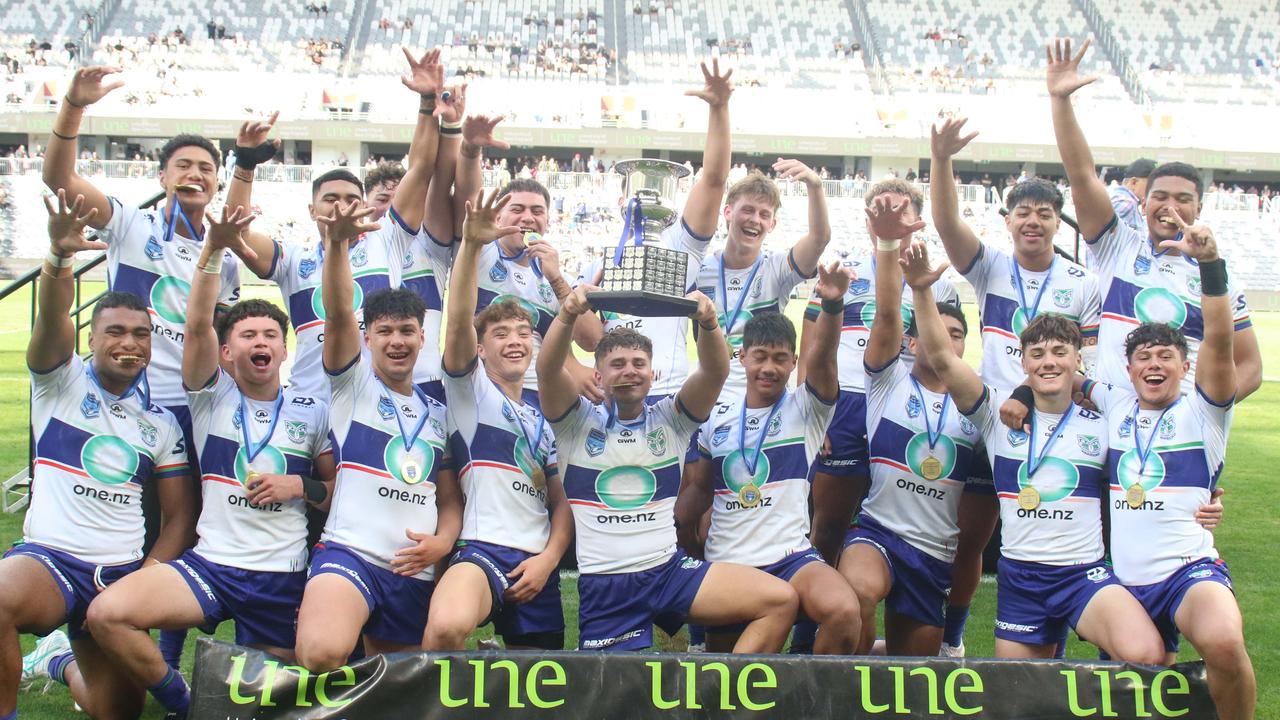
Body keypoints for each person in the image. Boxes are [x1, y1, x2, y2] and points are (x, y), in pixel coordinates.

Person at [85, 207, 335, 719]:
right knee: (106, 613)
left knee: (272, 704)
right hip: (212, 566)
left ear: (284, 351)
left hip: (281, 576)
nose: (260, 342)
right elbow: (196, 322)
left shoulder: (313, 411)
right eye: (247, 336)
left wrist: (300, 486)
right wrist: (213, 249)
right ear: (224, 353)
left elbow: (335, 491)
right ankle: (183, 701)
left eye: (270, 335)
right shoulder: (209, 398)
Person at [903, 242, 1164, 664]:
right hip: (1023, 578)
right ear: (1023, 361)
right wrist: (920, 290)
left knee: (1145, 654)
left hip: (1082, 573)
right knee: (1020, 694)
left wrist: (1205, 502)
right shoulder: (994, 415)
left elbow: (1153, 462)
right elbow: (943, 361)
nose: (1048, 362)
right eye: (1038, 353)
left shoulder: (1105, 421)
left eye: (1060, 353)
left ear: (1078, 360)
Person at [3, 192, 193, 719]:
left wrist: (147, 576)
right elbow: (51, 320)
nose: (129, 344)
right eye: (115, 332)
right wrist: (59, 259)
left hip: (121, 573)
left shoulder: (160, 426)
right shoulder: (58, 383)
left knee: (118, 714)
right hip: (52, 560)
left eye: (141, 334)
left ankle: (61, 661)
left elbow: (179, 519)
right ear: (91, 337)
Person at [538, 284, 798, 652]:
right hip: (609, 585)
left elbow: (714, 372)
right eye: (617, 364)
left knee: (780, 600)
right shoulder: (573, 424)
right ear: (598, 375)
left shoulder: (671, 421)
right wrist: (566, 314)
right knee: (624, 700)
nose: (630, 371)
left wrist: (707, 321)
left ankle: (725, 699)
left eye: (638, 364)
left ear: (652, 373)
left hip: (668, 572)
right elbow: (547, 371)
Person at [930, 115, 1102, 655]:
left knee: (1068, 532)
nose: (1034, 222)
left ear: (1057, 223)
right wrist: (941, 159)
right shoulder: (991, 268)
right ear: (1007, 221)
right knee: (970, 536)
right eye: (1023, 213)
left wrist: (1030, 393)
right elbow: (947, 223)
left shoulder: (1083, 282)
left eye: (1044, 214)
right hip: (990, 421)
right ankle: (954, 640)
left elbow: (1087, 364)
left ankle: (1070, 636)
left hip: (1057, 423)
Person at [293, 200, 461, 671]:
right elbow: (339, 315)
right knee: (322, 652)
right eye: (384, 331)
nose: (397, 341)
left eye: (407, 330)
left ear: (422, 338)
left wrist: (444, 542)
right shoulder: (352, 386)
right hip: (353, 554)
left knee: (399, 688)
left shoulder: (438, 414)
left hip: (415, 567)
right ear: (367, 338)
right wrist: (339, 246)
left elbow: (449, 500)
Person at [1045, 37, 1262, 401]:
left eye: (1183, 199)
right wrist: (1060, 100)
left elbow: (1250, 366)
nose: (1170, 206)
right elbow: (1082, 175)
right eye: (1159, 196)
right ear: (1143, 205)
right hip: (1112, 426)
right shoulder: (1119, 246)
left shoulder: (1220, 285)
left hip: (1175, 437)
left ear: (1199, 209)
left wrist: (1200, 413)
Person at [221, 49, 445, 400]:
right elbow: (237, 232)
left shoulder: (388, 240)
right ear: (312, 210)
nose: (342, 206)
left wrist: (427, 101)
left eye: (352, 199)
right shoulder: (292, 261)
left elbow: (419, 170)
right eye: (331, 199)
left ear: (366, 209)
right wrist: (245, 165)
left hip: (376, 402)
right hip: (312, 403)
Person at [676, 263, 859, 655]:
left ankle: (810, 700)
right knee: (728, 675)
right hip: (730, 562)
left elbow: (824, 356)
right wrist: (673, 534)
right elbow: (698, 492)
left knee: (844, 612)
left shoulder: (807, 410)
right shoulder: (714, 420)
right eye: (760, 356)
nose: (769, 368)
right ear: (741, 357)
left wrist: (832, 304)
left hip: (791, 557)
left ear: (794, 362)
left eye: (780, 358)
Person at [422, 189, 571, 651]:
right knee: (447, 626)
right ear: (480, 348)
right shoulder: (470, 394)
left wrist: (549, 560)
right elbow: (460, 316)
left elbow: (562, 505)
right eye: (501, 334)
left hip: (536, 564)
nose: (515, 341)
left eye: (524, 333)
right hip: (482, 549)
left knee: (542, 691)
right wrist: (469, 247)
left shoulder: (544, 420)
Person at [834, 197, 984, 656]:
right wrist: (887, 244)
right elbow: (884, 314)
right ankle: (844, 693)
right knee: (855, 594)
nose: (946, 338)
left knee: (915, 673)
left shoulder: (980, 403)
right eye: (934, 328)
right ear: (912, 338)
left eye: (956, 333)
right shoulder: (887, 380)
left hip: (934, 553)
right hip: (878, 533)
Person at [576, 59, 734, 400]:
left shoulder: (681, 244)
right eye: (635, 191)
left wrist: (719, 110)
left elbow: (714, 179)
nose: (643, 198)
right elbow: (587, 341)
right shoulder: (599, 266)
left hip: (671, 397)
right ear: (621, 201)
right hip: (614, 397)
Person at [696, 159, 831, 399]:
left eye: (764, 214)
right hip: (708, 397)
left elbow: (819, 238)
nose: (755, 220)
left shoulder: (777, 268)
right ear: (728, 211)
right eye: (747, 210)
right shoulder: (700, 268)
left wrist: (815, 186)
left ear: (773, 224)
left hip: (760, 398)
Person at [1110, 158, 1156, 234]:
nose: (1155, 189)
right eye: (1151, 185)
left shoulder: (1119, 197)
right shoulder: (1126, 203)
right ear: (1133, 183)